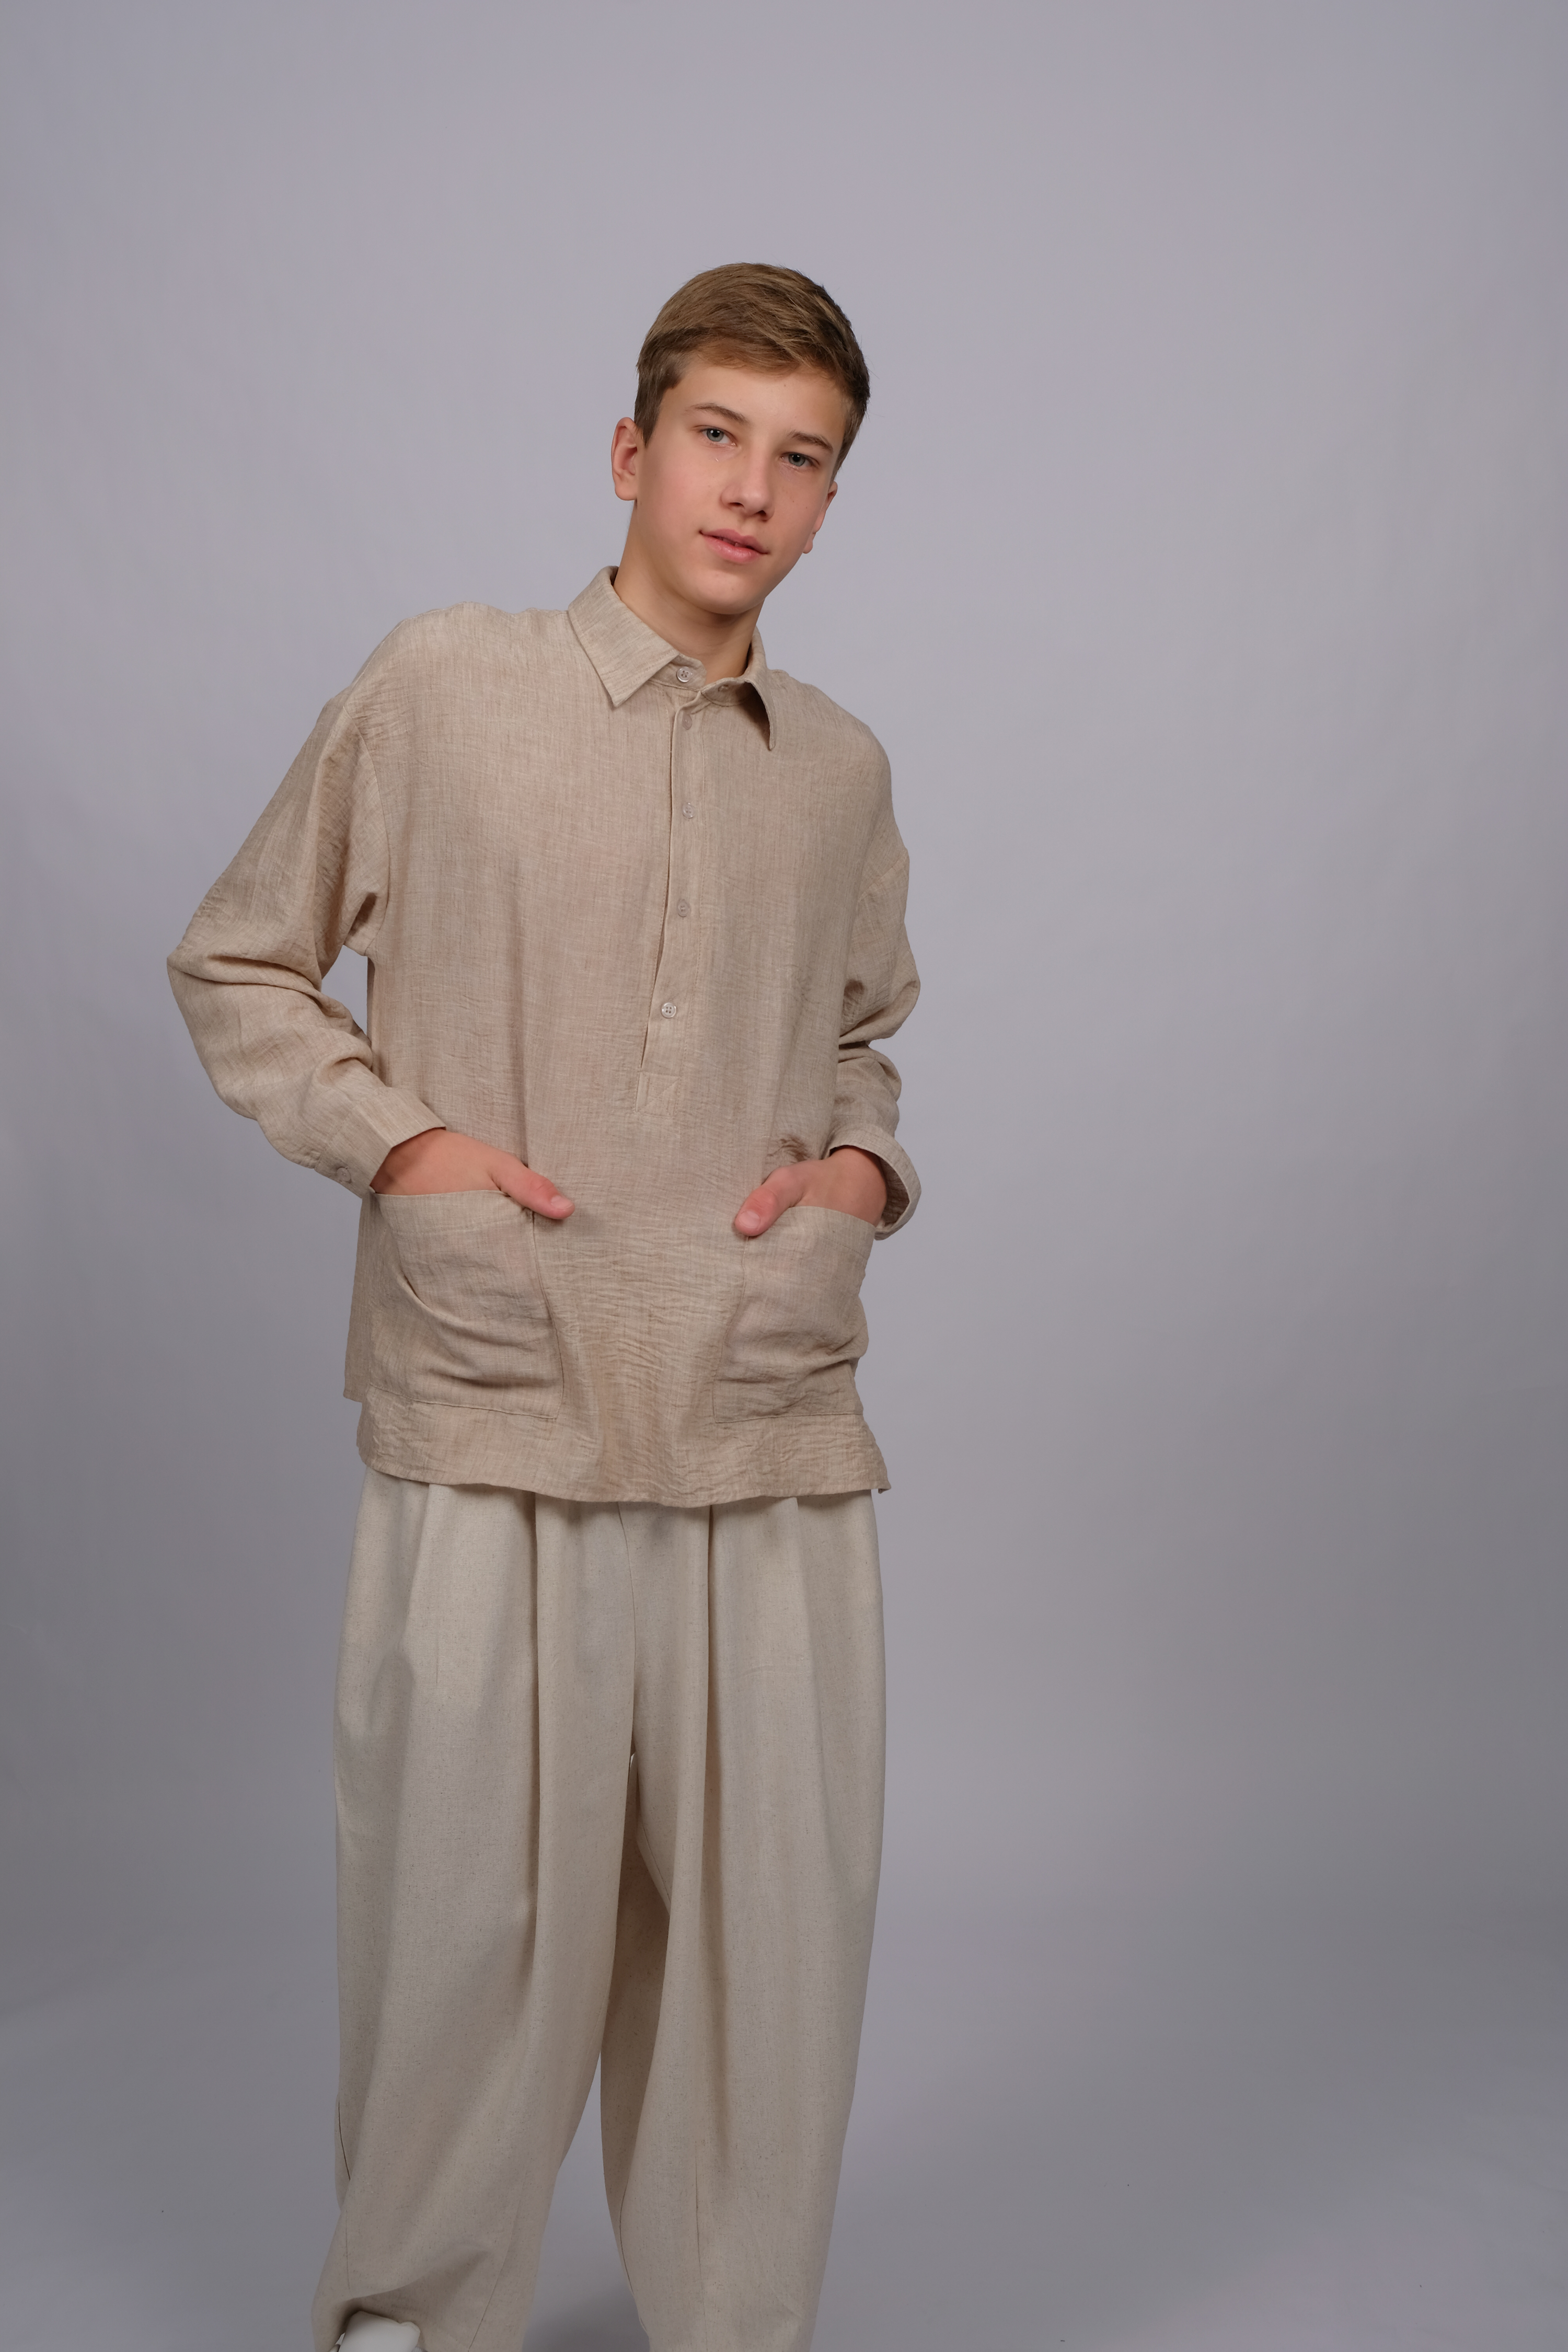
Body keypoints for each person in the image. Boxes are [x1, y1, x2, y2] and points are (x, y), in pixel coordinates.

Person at [169, 262, 919, 2352]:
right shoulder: (446, 682)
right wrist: (400, 1147)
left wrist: (863, 1177)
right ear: (628, 451)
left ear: (832, 499)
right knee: (464, 1930)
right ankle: (414, 2319)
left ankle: (739, 2325)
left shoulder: (841, 769)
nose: (752, 489)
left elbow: (865, 1035)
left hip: (761, 1406)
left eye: (803, 459)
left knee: (768, 1947)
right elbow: (240, 958)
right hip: (501, 1381)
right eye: (717, 436)